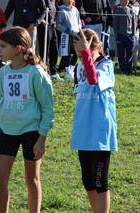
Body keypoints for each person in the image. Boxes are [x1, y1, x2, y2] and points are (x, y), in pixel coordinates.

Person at [0, 26, 54, 213]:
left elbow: (48, 108)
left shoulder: (35, 73)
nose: (0, 50)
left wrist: (42, 138)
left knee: (32, 179)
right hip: (7, 132)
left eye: (3, 46)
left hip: (31, 132)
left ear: (18, 49)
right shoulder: (2, 73)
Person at [72, 28, 117, 213]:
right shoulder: (79, 66)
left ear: (99, 47)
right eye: (79, 52)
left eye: (88, 51)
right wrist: (82, 55)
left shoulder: (106, 65)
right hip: (83, 130)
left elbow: (93, 79)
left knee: (100, 181)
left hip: (100, 132)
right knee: (88, 181)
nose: (84, 56)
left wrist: (85, 53)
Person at [56, 0, 81, 80]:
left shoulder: (75, 10)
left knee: (76, 53)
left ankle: (71, 70)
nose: (70, 1)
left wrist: (79, 28)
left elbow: (79, 21)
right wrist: (67, 30)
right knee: (67, 53)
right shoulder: (62, 10)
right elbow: (58, 24)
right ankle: (67, 72)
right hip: (66, 35)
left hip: (76, 34)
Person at [37, 0, 62, 81]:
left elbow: (56, 9)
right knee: (44, 50)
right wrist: (41, 20)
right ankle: (44, 70)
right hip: (43, 26)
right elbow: (37, 8)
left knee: (54, 49)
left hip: (52, 25)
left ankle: (53, 72)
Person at [113, 0, 137, 75]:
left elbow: (134, 24)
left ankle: (129, 69)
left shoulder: (131, 11)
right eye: (123, 0)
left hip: (130, 36)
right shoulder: (117, 11)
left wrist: (133, 35)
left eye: (126, 0)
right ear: (120, 1)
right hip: (120, 35)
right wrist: (116, 35)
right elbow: (115, 25)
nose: (125, 2)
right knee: (121, 54)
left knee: (130, 53)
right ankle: (123, 70)